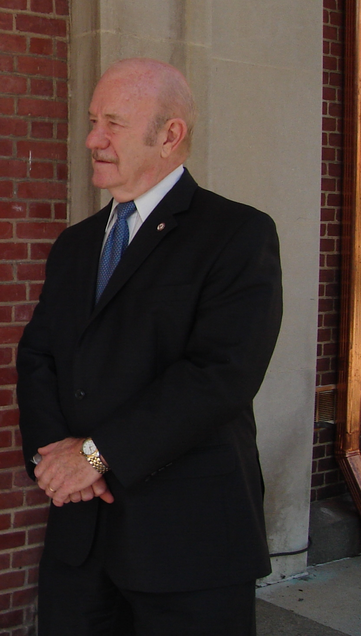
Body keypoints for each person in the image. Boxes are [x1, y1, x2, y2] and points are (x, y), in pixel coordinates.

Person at [16, 58, 283, 635]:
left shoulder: (236, 234)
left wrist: (94, 455)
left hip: (188, 540)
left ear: (170, 135)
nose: (92, 139)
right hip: (80, 536)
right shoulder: (75, 245)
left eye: (112, 122)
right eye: (92, 121)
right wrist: (54, 457)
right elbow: (38, 357)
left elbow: (220, 375)